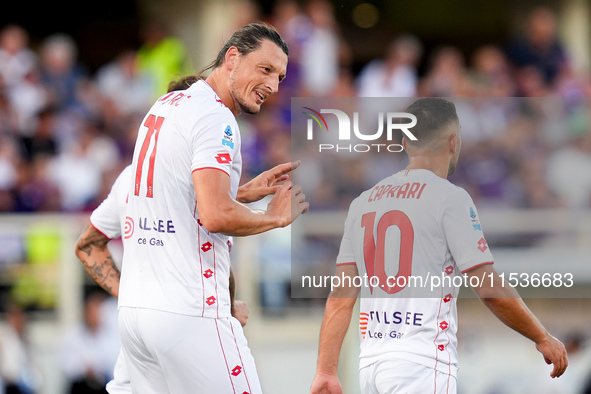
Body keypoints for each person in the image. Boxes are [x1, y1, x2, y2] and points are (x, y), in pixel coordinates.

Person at [310, 98, 567, 394]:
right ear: (454, 142)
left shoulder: (363, 202)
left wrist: (326, 370)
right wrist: (542, 336)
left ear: (405, 143)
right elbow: (489, 289)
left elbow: (341, 296)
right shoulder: (449, 198)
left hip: (371, 365)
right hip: (421, 363)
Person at [117, 22, 308, 393]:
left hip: (136, 312)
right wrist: (272, 217)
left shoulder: (167, 103)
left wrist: (240, 192)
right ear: (232, 57)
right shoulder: (216, 117)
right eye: (265, 69)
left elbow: (178, 198)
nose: (273, 85)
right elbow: (215, 215)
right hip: (188, 312)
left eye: (281, 77)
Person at [74, 75, 254, 393]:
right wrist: (273, 217)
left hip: (137, 325)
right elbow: (209, 234)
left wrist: (127, 292)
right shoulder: (196, 177)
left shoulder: (130, 178)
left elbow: (87, 246)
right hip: (187, 318)